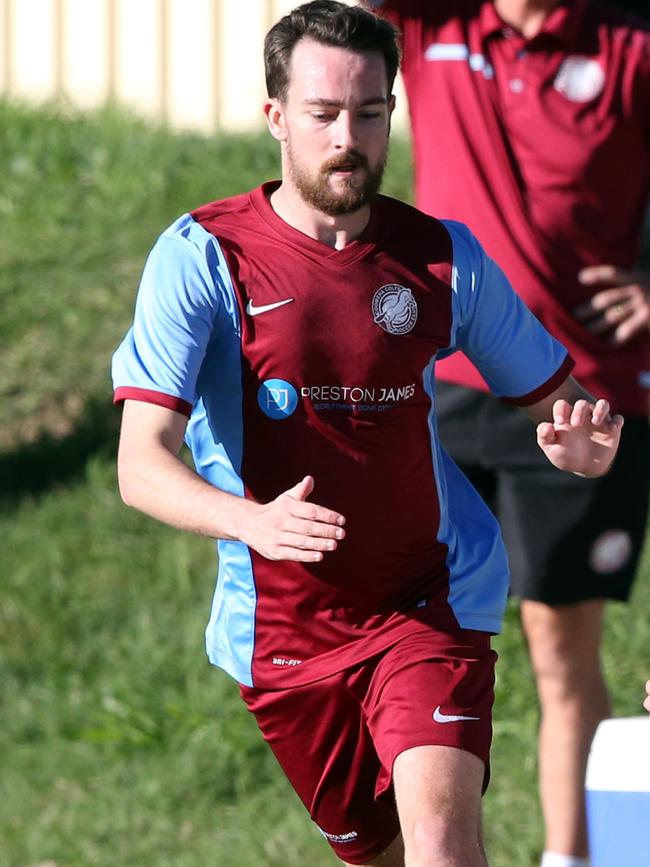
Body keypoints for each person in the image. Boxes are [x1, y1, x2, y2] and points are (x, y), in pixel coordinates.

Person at [111, 3, 624, 865]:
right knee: (379, 854)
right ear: (276, 116)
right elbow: (139, 463)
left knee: (440, 840)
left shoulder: (441, 258)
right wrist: (252, 521)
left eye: (371, 112)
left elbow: (561, 405)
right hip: (280, 634)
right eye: (323, 114)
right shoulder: (203, 257)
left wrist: (583, 442)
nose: (348, 137)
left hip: (430, 597)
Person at [366, 2, 650, 866]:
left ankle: (570, 856)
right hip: (441, 387)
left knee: (561, 652)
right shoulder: (429, 21)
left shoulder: (631, 44)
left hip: (581, 398)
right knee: (420, 648)